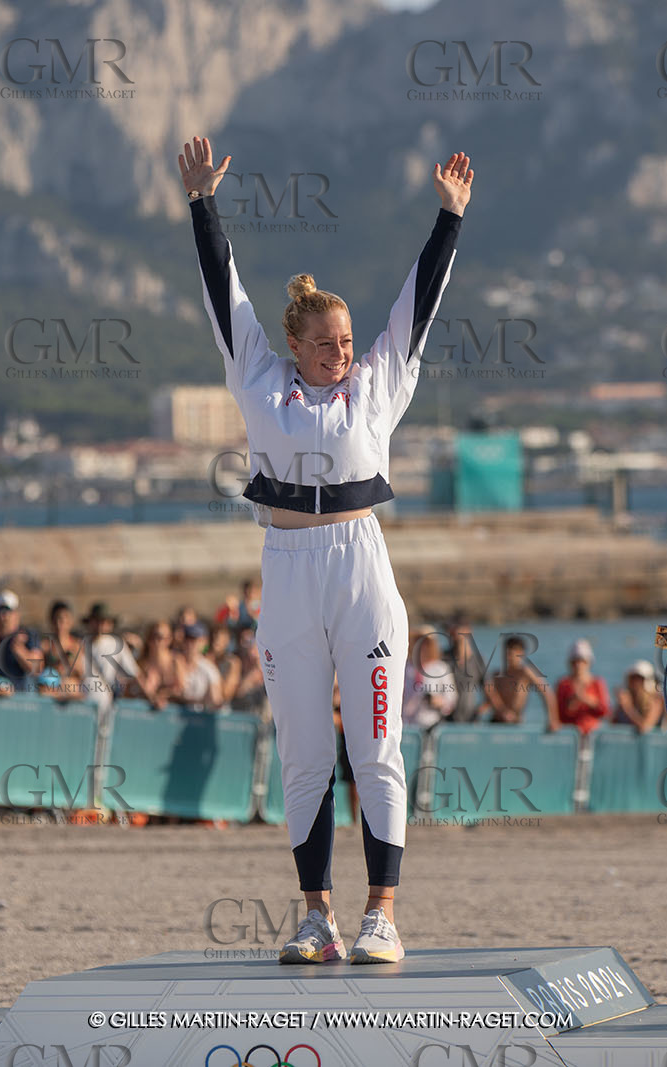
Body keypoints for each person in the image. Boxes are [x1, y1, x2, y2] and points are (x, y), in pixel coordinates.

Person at [181, 134, 470, 964]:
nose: (343, 353)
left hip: (360, 565)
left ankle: (383, 912)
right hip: (288, 567)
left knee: (377, 749)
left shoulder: (378, 386)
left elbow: (419, 304)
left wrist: (447, 218)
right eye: (327, 343)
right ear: (295, 343)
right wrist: (202, 203)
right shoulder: (258, 379)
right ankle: (317, 916)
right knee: (305, 755)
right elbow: (219, 290)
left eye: (347, 342)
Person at [480, 635, 553, 726]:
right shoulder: (497, 676)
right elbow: (489, 702)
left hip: (516, 722)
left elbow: (547, 694)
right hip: (497, 721)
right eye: (507, 653)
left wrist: (552, 719)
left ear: (521, 653)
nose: (509, 657)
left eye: (512, 653)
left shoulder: (525, 673)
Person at [551, 638, 610, 735]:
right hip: (570, 735)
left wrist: (586, 699)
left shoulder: (597, 683)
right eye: (575, 662)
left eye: (582, 661)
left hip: (592, 734)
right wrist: (571, 703)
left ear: (589, 662)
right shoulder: (563, 684)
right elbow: (557, 714)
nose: (578, 665)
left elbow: (605, 711)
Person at [401, 627, 455, 729]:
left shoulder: (440, 669)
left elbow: (451, 700)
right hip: (406, 726)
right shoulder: (405, 667)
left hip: (431, 725)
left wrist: (438, 701)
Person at [0, 590, 43, 690]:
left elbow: (37, 668)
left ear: (16, 614)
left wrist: (18, 649)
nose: (3, 617)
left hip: (21, 699)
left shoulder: (28, 636)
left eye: (7, 612)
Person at [444, 614, 488, 724]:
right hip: (446, 722)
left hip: (470, 722)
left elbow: (489, 693)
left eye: (456, 628)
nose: (452, 632)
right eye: (449, 629)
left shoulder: (478, 660)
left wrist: (478, 712)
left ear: (468, 630)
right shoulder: (443, 658)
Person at [172, 622, 223, 711]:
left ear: (204, 642)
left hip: (197, 721)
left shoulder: (209, 669)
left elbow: (215, 699)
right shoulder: (172, 662)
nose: (190, 644)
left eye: (195, 640)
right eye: (187, 639)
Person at [614, 661, 667, 733]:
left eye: (639, 679)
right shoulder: (627, 700)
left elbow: (644, 727)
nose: (635, 683)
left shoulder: (655, 701)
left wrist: (627, 708)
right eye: (633, 679)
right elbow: (613, 725)